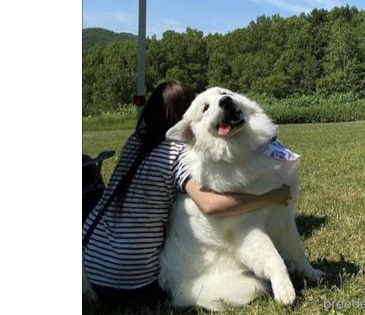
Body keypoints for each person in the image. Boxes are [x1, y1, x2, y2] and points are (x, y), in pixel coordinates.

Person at [82, 80, 291, 301]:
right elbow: (209, 205)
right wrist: (270, 197)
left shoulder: (136, 142)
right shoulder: (177, 154)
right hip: (132, 282)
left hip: (90, 265)